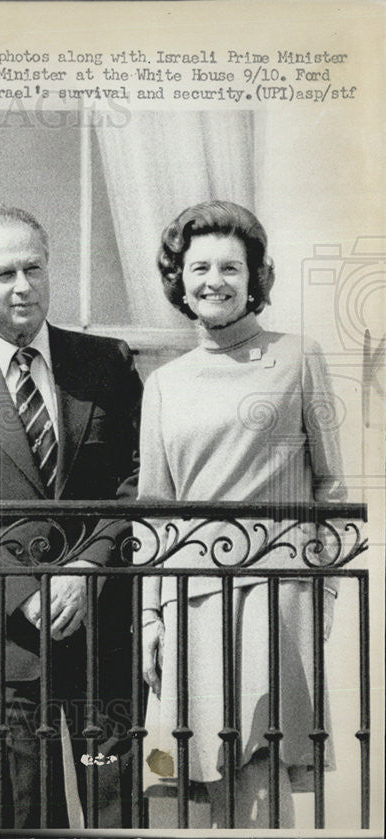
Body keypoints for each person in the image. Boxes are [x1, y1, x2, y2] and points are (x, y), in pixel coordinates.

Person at [0, 204, 142, 828]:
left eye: (33, 268)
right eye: (3, 274)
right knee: (25, 813)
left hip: (103, 630)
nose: (22, 287)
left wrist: (86, 568)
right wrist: (29, 591)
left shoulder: (107, 365)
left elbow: (135, 481)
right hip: (4, 640)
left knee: (115, 803)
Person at [139, 200, 345, 828]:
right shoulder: (165, 384)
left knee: (258, 767)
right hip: (188, 599)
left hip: (273, 594)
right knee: (189, 776)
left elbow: (332, 488)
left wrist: (324, 589)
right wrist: (150, 614)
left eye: (232, 267)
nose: (214, 282)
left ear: (255, 278)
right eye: (199, 267)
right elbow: (154, 510)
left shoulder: (299, 357)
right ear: (180, 278)